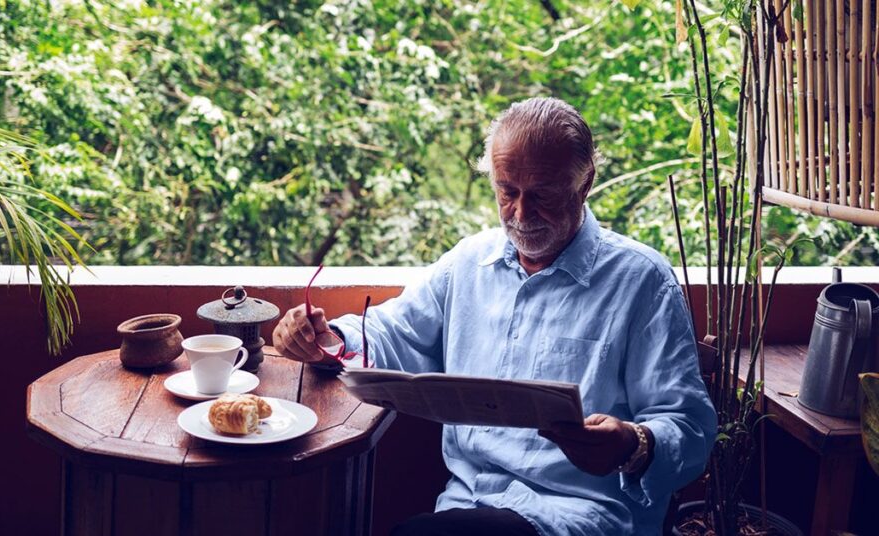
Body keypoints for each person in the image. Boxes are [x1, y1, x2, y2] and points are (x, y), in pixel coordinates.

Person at [272, 97, 716, 536]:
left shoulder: (640, 280)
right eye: (508, 191)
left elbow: (690, 427)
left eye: (542, 195)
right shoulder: (470, 262)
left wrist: (632, 446)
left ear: (585, 184)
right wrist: (326, 338)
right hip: (467, 503)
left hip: (579, 517)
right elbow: (392, 333)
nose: (521, 214)